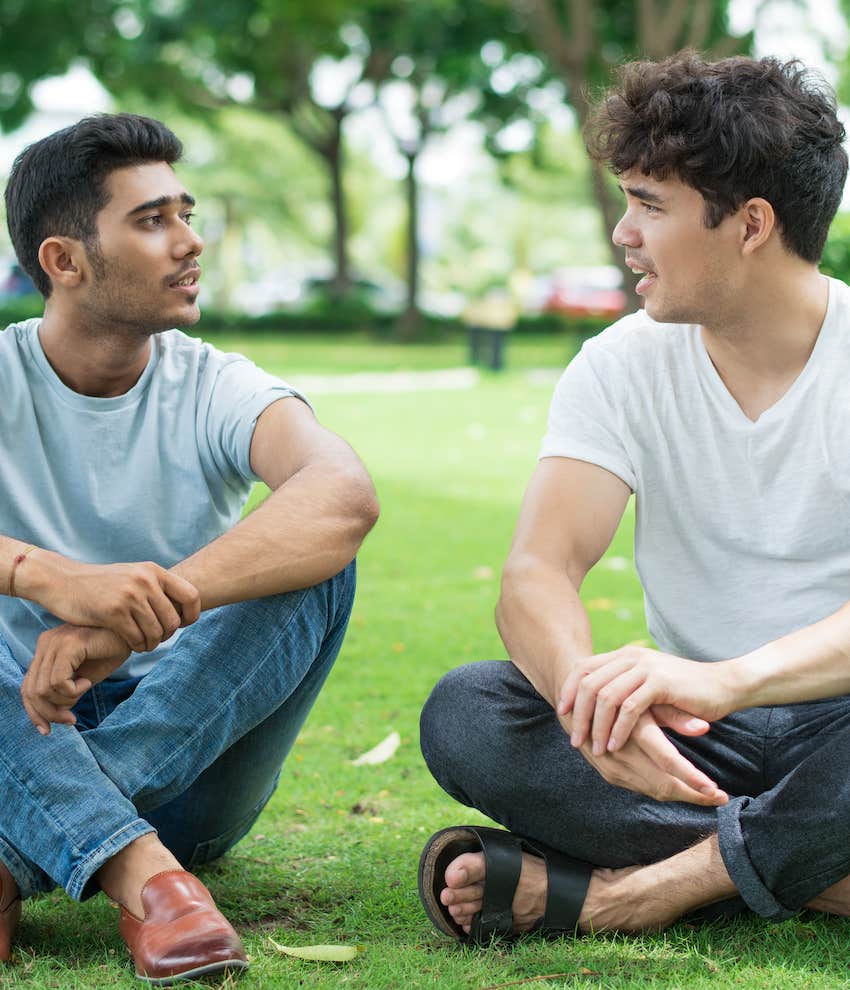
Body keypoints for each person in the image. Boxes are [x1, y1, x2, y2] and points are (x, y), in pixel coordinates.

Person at [417, 51, 850, 943]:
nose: (623, 232)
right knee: (471, 712)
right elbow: (538, 570)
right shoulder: (621, 364)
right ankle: (811, 870)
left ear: (752, 223)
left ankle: (634, 895)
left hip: (833, 729)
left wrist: (729, 679)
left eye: (649, 204)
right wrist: (583, 702)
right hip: (691, 741)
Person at [0, 113, 379, 982]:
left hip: (189, 767)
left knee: (315, 566)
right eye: (152, 220)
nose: (190, 241)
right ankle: (150, 882)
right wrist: (48, 578)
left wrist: (126, 622)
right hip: (18, 720)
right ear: (63, 261)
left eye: (187, 212)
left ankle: (14, 852)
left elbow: (342, 498)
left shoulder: (213, 382)